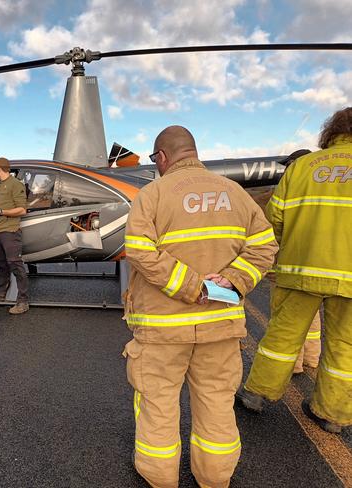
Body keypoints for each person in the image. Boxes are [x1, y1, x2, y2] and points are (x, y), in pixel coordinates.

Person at [122, 126, 277, 488]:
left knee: (158, 404)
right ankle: (214, 476)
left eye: (153, 158)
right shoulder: (236, 194)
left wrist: (192, 286)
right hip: (220, 327)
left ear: (162, 156)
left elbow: (139, 250)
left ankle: (159, 476)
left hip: (161, 330)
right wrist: (233, 280)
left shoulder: (153, 195)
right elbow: (265, 247)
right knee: (216, 403)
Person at [237, 108, 352, 434]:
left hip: (300, 269)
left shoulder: (302, 167)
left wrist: (275, 260)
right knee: (345, 346)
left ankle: (257, 395)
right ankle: (331, 414)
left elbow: (274, 220)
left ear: (331, 132)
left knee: (282, 336)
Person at [274, 149, 322, 375]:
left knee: (288, 322)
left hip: (299, 266)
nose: (286, 170)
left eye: (288, 165)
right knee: (313, 319)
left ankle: (293, 365)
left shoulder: (294, 186)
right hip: (332, 266)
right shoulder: (329, 186)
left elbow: (275, 222)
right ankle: (312, 358)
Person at [0, 157, 29, 314]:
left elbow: (22, 210)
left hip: (10, 231)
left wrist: (1, 212)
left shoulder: (16, 185)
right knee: (2, 264)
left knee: (15, 264)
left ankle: (23, 301)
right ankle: (0, 295)